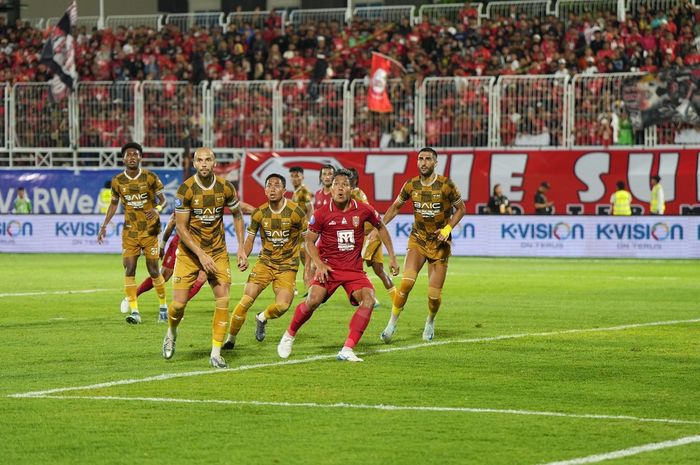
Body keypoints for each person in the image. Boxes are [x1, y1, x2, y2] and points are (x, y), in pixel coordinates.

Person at [277, 169, 399, 362]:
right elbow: (309, 241)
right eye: (336, 184)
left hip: (353, 270)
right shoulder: (321, 214)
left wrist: (392, 256)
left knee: (368, 299)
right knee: (313, 301)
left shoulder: (364, 209)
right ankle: (289, 335)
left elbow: (381, 226)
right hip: (330, 269)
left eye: (344, 184)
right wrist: (318, 265)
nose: (340, 188)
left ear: (351, 189)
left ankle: (347, 349)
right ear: (331, 189)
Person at [162, 147, 247, 369]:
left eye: (208, 159)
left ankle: (216, 352)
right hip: (190, 255)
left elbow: (237, 216)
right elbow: (181, 228)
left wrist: (240, 247)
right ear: (194, 163)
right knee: (178, 306)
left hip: (217, 253)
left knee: (223, 300)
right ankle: (171, 331)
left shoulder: (226, 187)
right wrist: (200, 254)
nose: (204, 164)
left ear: (215, 162)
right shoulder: (186, 189)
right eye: (200, 160)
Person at [379, 147, 466, 343]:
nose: (423, 162)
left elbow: (461, 209)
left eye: (428, 159)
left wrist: (447, 229)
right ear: (417, 162)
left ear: (435, 163)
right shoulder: (411, 185)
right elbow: (396, 207)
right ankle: (391, 324)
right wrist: (380, 226)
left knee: (434, 296)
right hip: (418, 240)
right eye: (420, 159)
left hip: (439, 243)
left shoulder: (446, 185)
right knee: (406, 282)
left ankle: (430, 320)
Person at [222, 173, 307, 351]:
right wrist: (244, 255)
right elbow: (250, 239)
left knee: (283, 306)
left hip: (287, 267)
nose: (272, 188)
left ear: (284, 190)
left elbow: (307, 240)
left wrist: (310, 265)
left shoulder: (296, 212)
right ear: (265, 189)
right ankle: (230, 339)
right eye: (269, 185)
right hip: (265, 263)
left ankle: (262, 317)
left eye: (277, 185)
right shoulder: (259, 213)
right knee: (245, 301)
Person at [97, 142, 167, 325]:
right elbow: (113, 204)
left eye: (135, 154)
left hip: (150, 230)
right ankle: (135, 312)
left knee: (153, 270)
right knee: (129, 269)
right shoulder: (117, 181)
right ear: (123, 158)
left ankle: (163, 308)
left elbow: (164, 200)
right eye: (128, 155)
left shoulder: (150, 177)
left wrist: (158, 209)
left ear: (141, 157)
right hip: (130, 232)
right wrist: (104, 225)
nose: (132, 157)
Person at [119, 213, 208, 320]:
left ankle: (177, 308)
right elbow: (171, 223)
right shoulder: (187, 201)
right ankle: (131, 298)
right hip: (182, 243)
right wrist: (162, 245)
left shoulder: (213, 204)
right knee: (163, 275)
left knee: (202, 277)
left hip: (204, 244)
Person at [348, 167, 396, 306]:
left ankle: (371, 298)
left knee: (356, 266)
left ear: (355, 180)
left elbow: (368, 211)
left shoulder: (356, 193)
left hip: (370, 235)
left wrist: (374, 230)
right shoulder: (350, 195)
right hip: (371, 234)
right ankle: (397, 299)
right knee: (379, 270)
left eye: (349, 178)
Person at [289, 165, 313, 287]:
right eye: (292, 176)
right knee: (303, 258)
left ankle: (311, 285)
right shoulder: (296, 192)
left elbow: (310, 208)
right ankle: (310, 285)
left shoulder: (304, 192)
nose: (294, 179)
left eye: (297, 176)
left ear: (302, 177)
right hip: (297, 231)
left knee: (304, 257)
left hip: (303, 231)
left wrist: (309, 226)